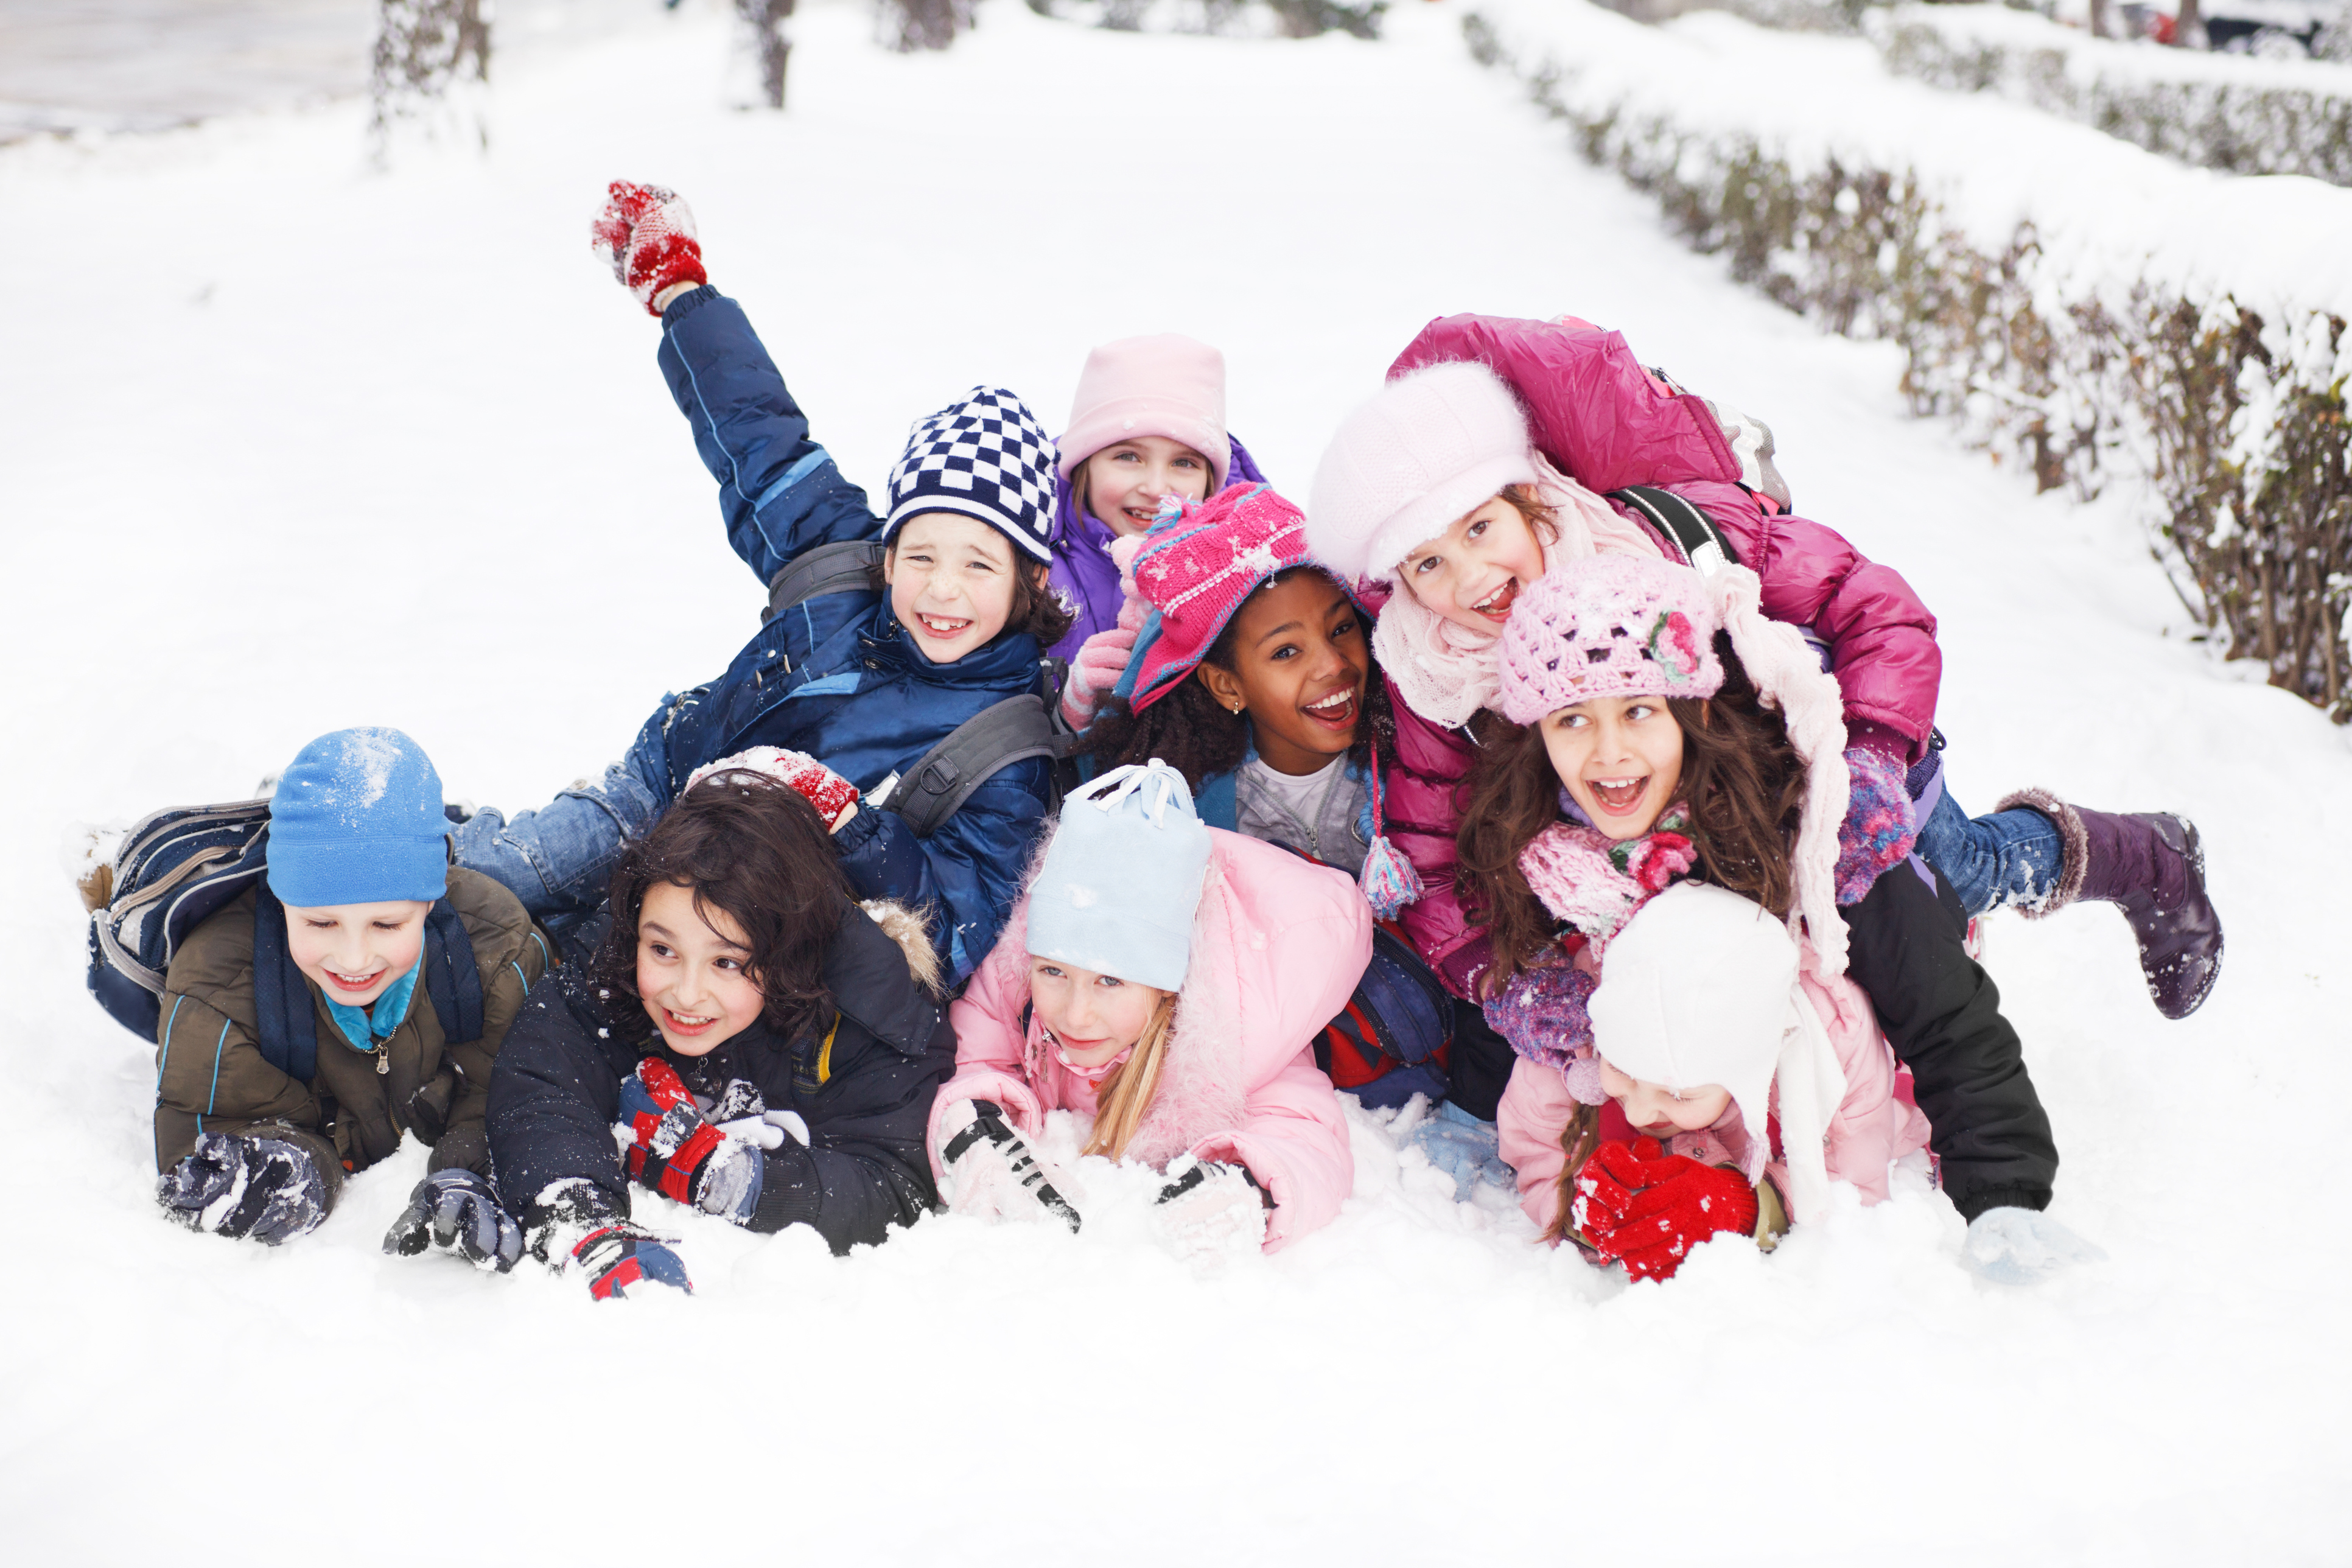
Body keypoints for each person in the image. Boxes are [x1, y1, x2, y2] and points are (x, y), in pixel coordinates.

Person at [1361, 313, 2221, 1020]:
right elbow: (1433, 844)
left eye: (1480, 529)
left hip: (1831, 763)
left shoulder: (1675, 541)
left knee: (1957, 873)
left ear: (1531, 497)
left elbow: (1873, 604)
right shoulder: (1435, 672)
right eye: (1427, 564)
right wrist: (1500, 981)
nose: (1472, 578)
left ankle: (2145, 854)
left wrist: (1876, 758)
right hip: (1676, 824)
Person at [450, 182, 1068, 988]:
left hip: (743, 913)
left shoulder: (1004, 750)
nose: (942, 590)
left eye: (979, 565)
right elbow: (759, 434)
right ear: (889, 553)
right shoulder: (837, 560)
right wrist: (682, 293)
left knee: (553, 978)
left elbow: (954, 929)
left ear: (1029, 578)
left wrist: (857, 832)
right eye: (922, 555)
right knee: (488, 884)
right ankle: (350, 846)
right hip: (660, 791)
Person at [1458, 553, 2102, 1279]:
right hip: (1694, 1086)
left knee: (1978, 868)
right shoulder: (1543, 855)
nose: (1609, 753)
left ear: (1693, 709)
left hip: (1851, 1037)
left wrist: (2002, 1193)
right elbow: (1543, 1090)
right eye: (1572, 718)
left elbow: (1945, 1015)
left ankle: (2129, 854)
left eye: (1639, 710)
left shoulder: (1812, 834)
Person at [1074, 484, 1478, 1116]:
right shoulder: (1198, 799)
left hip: (1426, 1014)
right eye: (1286, 651)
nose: (1332, 665)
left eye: (1341, 628)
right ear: (1226, 684)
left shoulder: (1409, 753)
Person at [485, 761, 954, 1300]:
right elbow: (541, 1081)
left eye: (727, 963)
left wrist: (732, 1178)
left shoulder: (869, 1009)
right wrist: (581, 1217)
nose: (686, 994)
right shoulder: (611, 964)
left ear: (789, 951)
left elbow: (893, 1180)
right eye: (663, 950)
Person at [928, 762, 1366, 1257]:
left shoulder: (1238, 1033)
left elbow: (1304, 1134)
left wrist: (1248, 1188)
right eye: (1054, 972)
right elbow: (973, 1053)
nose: (1075, 1015)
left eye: (1110, 981)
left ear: (1167, 986)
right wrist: (974, 1127)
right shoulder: (1016, 983)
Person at [153, 728, 550, 1261]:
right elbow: (206, 1124)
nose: (355, 959)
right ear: (281, 897)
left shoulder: (493, 947)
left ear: (431, 902)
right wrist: (288, 1168)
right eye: (320, 921)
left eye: (387, 924)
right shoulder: (217, 990)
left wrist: (468, 1167)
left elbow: (530, 1089)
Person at [1497, 880, 1931, 1281]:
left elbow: (1855, 1183)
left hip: (1882, 1095)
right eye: (1623, 1071)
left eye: (1679, 1094)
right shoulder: (1576, 1026)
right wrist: (1579, 1209)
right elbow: (1533, 1143)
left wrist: (1746, 1208)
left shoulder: (1831, 1043)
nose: (1641, 1111)